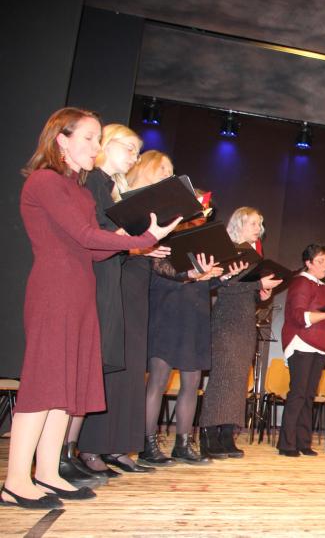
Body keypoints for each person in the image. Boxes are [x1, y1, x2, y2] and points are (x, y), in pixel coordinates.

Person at [3, 108, 177, 509]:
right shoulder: (45, 182)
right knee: (44, 385)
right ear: (61, 140)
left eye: (99, 139)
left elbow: (95, 251)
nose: (96, 147)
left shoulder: (79, 191)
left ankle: (47, 474)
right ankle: (15, 480)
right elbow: (83, 235)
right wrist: (144, 237)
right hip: (53, 291)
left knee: (67, 389)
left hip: (80, 293)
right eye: (89, 138)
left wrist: (132, 238)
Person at [74, 126, 172, 481]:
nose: (133, 155)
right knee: (109, 368)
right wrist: (137, 243)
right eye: (129, 148)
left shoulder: (115, 191)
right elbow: (98, 235)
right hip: (114, 279)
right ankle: (91, 446)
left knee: (129, 369)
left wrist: (146, 245)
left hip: (132, 280)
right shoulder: (99, 186)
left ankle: (116, 443)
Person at [138, 152, 236, 467]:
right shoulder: (165, 231)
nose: (203, 213)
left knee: (192, 382)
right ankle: (147, 443)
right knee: (159, 379)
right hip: (168, 311)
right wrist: (191, 274)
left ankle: (184, 444)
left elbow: (203, 282)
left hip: (195, 314)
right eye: (199, 207)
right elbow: (159, 267)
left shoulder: (205, 240)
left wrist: (217, 276)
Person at [199, 208, 282, 459]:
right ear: (239, 224)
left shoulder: (254, 256)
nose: (258, 228)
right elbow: (224, 287)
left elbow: (248, 291)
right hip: (226, 321)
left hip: (245, 322)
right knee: (222, 378)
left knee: (237, 383)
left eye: (260, 224)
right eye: (253, 223)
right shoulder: (227, 250)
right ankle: (208, 434)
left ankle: (226, 435)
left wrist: (261, 294)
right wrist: (258, 285)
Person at [277, 244, 325, 457]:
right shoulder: (301, 282)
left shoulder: (322, 287)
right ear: (308, 263)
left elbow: (324, 321)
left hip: (318, 345)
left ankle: (302, 442)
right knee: (299, 393)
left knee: (308, 395)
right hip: (301, 342)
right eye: (320, 261)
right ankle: (287, 443)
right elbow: (300, 317)